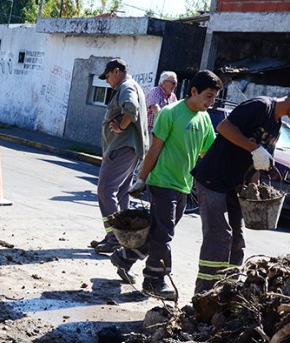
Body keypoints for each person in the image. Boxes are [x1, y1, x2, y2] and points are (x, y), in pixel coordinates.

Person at [191, 82, 290, 293]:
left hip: (235, 186)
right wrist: (254, 148)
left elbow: (256, 164)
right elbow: (224, 127)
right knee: (219, 236)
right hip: (213, 179)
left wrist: (254, 192)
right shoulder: (261, 106)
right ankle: (203, 295)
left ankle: (227, 293)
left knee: (237, 242)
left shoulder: (276, 126)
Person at [109, 70, 223, 300]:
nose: (211, 103)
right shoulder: (170, 113)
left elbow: (206, 154)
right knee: (165, 233)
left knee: (159, 230)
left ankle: (124, 257)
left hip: (183, 185)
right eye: (208, 96)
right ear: (194, 91)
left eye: (214, 98)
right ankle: (154, 279)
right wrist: (141, 178)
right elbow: (155, 148)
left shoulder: (204, 119)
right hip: (162, 183)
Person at [91, 58, 148, 253]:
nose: (107, 81)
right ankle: (123, 238)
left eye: (107, 76)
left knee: (105, 190)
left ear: (116, 71)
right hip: (131, 149)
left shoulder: (126, 86)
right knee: (122, 193)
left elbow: (131, 109)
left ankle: (114, 238)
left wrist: (121, 126)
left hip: (122, 148)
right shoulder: (132, 86)